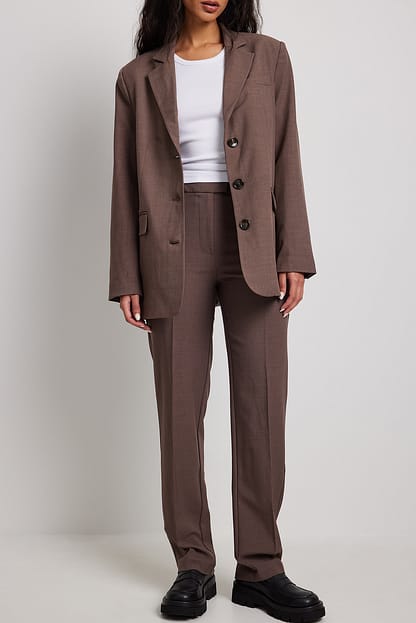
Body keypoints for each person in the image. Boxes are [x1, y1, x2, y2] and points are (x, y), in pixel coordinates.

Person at [108, 1, 325, 621]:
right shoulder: (138, 76)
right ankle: (193, 565)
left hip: (254, 241)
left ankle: (261, 568)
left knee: (262, 405)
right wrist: (126, 272)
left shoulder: (268, 58)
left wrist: (294, 252)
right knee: (180, 411)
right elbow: (124, 178)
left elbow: (286, 154)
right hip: (169, 245)